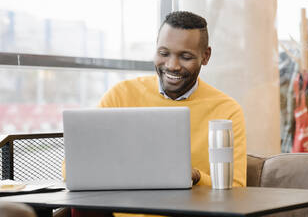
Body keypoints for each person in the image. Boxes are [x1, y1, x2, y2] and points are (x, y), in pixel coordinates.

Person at [71, 11, 246, 217]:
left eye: (185, 56)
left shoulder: (227, 110)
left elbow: (237, 190)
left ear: (205, 56)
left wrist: (196, 177)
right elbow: (73, 169)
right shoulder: (120, 95)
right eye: (164, 53)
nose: (172, 65)